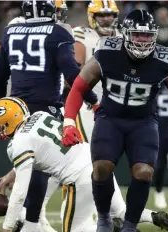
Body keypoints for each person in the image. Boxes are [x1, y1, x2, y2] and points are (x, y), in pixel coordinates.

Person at [61, 9, 168, 232]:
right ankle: (105, 222)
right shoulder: (107, 53)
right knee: (101, 168)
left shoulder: (164, 60)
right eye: (138, 35)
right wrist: (68, 121)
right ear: (126, 34)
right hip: (110, 118)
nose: (143, 40)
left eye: (147, 36)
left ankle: (128, 228)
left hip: (143, 122)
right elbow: (78, 87)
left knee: (144, 172)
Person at [0, 97, 168, 232]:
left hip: (80, 177)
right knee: (120, 211)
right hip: (96, 161)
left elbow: (19, 193)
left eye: (0, 124)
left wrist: (6, 229)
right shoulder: (40, 115)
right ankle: (157, 217)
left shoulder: (18, 143)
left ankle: (114, 229)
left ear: (9, 121)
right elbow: (44, 150)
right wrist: (13, 173)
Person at [0, 0, 99, 232]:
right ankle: (30, 222)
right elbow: (73, 73)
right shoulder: (58, 31)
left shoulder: (11, 31)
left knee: (31, 162)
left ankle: (30, 219)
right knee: (42, 164)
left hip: (16, 107)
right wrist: (92, 98)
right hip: (45, 105)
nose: (59, 15)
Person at [71, 0, 120, 142]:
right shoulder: (82, 35)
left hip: (116, 106)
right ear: (92, 16)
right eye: (101, 15)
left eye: (110, 15)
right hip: (88, 105)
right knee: (87, 151)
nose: (106, 19)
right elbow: (75, 72)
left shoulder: (123, 37)